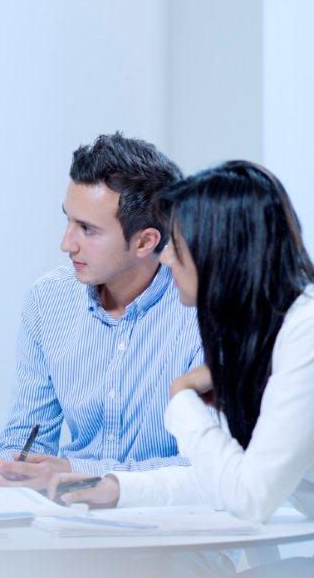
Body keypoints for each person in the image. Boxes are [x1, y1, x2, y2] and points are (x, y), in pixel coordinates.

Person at [50, 160, 314, 521]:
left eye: (177, 242)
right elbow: (221, 478)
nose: (167, 256)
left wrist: (181, 396)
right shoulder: (257, 334)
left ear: (220, 249)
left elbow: (251, 497)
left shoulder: (306, 332)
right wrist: (116, 489)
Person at [0, 132, 202, 491]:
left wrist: (77, 473)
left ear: (145, 241)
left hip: (169, 519)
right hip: (69, 513)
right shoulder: (47, 300)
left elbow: (207, 470)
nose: (66, 243)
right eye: (68, 220)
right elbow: (27, 436)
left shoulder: (200, 312)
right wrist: (11, 472)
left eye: (87, 229)